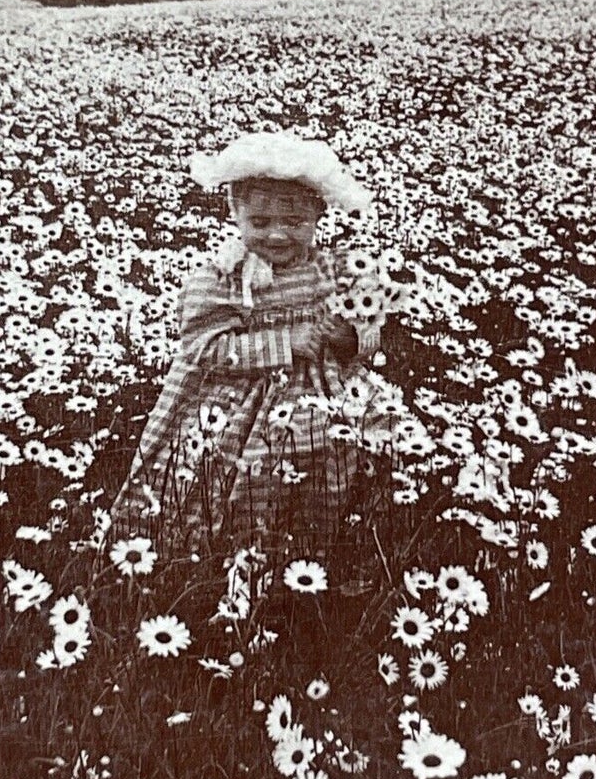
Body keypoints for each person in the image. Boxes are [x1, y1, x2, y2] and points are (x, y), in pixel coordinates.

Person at [110, 131, 399, 552]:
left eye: (295, 222)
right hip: (237, 401)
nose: (278, 236)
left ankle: (313, 545)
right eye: (260, 223)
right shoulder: (225, 277)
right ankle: (219, 549)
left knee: (335, 451)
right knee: (239, 471)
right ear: (235, 213)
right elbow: (203, 349)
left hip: (324, 391)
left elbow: (372, 321)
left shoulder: (336, 269)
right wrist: (285, 343)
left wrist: (350, 337)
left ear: (319, 216)